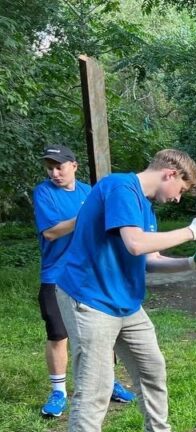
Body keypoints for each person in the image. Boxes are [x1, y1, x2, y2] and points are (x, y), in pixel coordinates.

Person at [54, 149, 196, 432]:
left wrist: (190, 263)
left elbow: (148, 261)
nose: (178, 199)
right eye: (181, 190)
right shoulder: (120, 188)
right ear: (170, 173)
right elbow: (136, 244)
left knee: (151, 368)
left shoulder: (146, 209)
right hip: (90, 298)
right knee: (96, 385)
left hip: (125, 302)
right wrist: (192, 232)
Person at [32, 145, 135, 417]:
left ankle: (109, 382)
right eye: (50, 168)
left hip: (90, 275)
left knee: (101, 331)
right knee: (58, 333)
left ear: (74, 166)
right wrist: (86, 218)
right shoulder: (44, 192)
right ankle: (58, 392)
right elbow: (52, 233)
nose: (54, 173)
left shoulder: (89, 192)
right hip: (56, 275)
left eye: (60, 167)